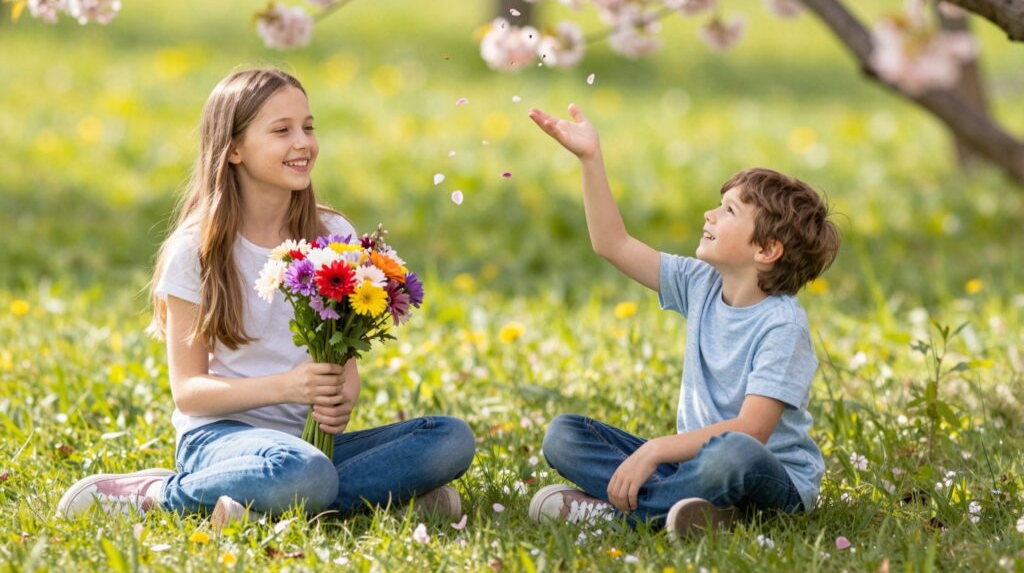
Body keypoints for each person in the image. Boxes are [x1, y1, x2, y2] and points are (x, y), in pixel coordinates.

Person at [57, 68, 474, 525]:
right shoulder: (197, 249)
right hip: (219, 438)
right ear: (233, 149)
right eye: (281, 130)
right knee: (304, 472)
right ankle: (162, 494)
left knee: (451, 438)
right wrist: (288, 387)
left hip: (307, 443)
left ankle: (269, 502)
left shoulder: (334, 236)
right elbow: (189, 393)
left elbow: (344, 369)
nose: (303, 142)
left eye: (308, 127)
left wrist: (342, 396)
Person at [525, 103, 840, 539]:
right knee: (564, 435)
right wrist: (590, 160)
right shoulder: (701, 283)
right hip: (690, 466)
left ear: (766, 250)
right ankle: (694, 511)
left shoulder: (782, 327)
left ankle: (618, 515)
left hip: (769, 479)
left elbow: (752, 430)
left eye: (728, 211)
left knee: (732, 455)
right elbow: (612, 243)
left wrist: (655, 450)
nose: (709, 215)